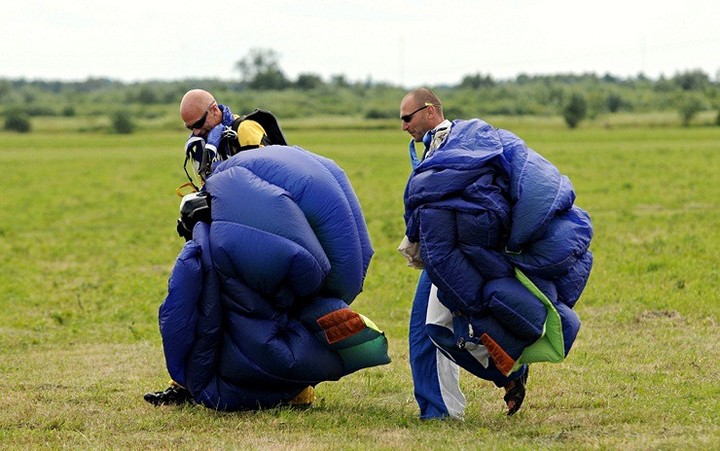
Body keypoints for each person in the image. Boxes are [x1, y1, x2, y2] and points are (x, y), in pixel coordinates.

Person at [144, 90, 390, 410]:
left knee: (275, 315)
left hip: (263, 241)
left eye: (199, 123)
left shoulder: (246, 132)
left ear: (216, 111)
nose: (195, 132)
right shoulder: (206, 144)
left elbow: (259, 183)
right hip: (229, 240)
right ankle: (183, 382)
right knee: (205, 305)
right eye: (189, 127)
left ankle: (298, 392)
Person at [397, 88, 593, 419]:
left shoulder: (463, 145)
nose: (403, 126)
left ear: (430, 111)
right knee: (422, 330)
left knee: (437, 329)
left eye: (407, 117)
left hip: (463, 256)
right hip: (444, 253)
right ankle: (438, 410)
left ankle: (507, 371)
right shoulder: (436, 150)